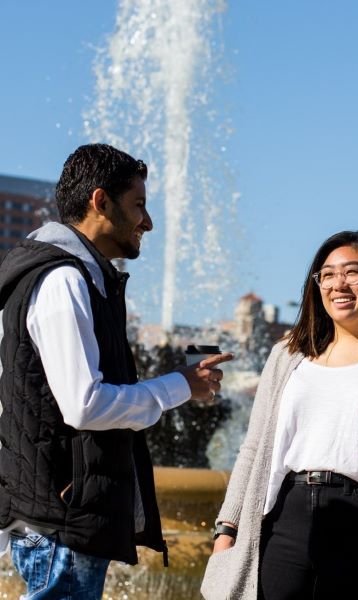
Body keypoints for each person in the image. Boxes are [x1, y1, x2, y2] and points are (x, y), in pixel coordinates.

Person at [0, 143, 232, 599]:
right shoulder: (63, 279)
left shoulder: (67, 276)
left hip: (51, 509)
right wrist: (178, 386)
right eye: (139, 206)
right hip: (63, 514)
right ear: (100, 202)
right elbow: (85, 405)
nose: (148, 222)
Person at [201, 230, 358, 600]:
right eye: (328, 274)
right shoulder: (287, 355)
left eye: (352, 272)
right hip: (287, 515)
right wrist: (227, 528)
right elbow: (253, 448)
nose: (338, 284)